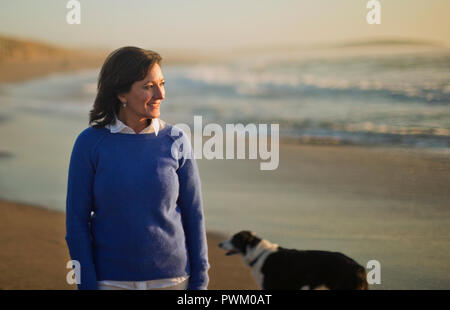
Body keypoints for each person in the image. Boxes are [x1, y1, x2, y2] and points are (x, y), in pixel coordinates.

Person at [65, 46, 209, 290]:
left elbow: (194, 215)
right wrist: (86, 284)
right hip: (110, 282)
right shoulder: (90, 143)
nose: (160, 93)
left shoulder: (176, 140)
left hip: (173, 280)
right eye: (148, 86)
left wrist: (200, 282)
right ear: (121, 93)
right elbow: (76, 222)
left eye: (162, 83)